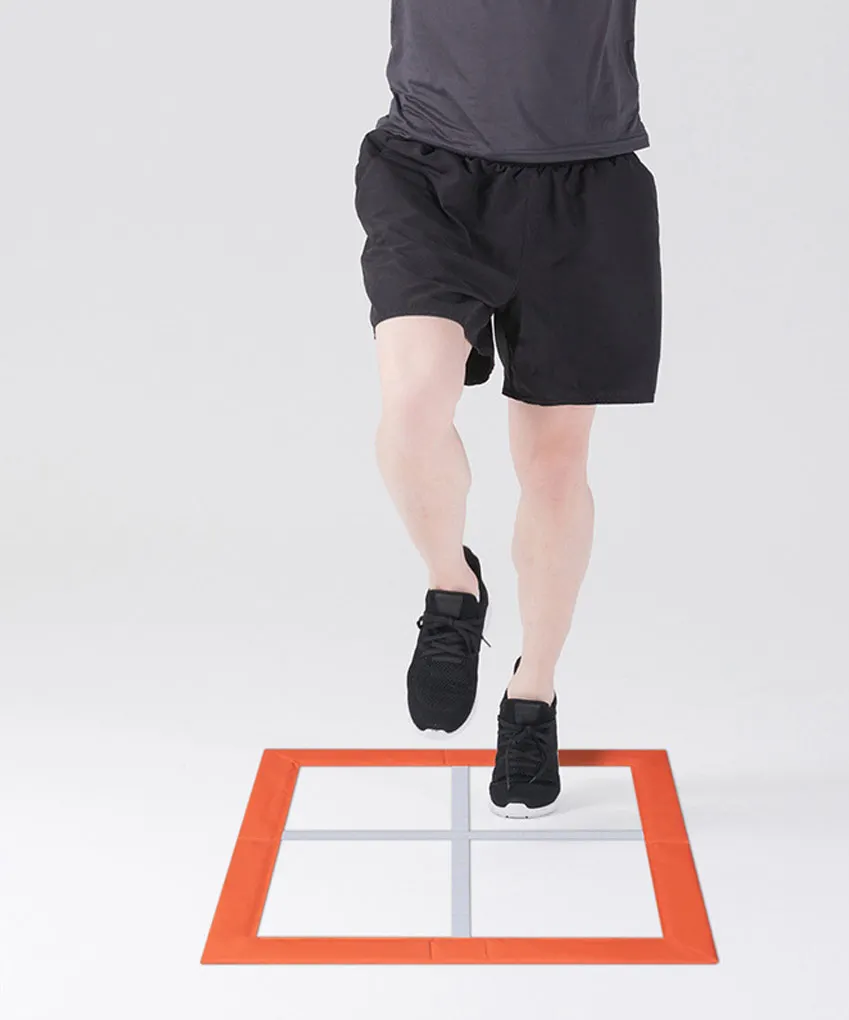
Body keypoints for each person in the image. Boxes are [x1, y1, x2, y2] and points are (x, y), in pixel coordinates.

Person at [353, 0, 661, 818]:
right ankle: (453, 587)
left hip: (585, 183)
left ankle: (533, 695)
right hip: (429, 167)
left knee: (554, 466)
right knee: (413, 405)